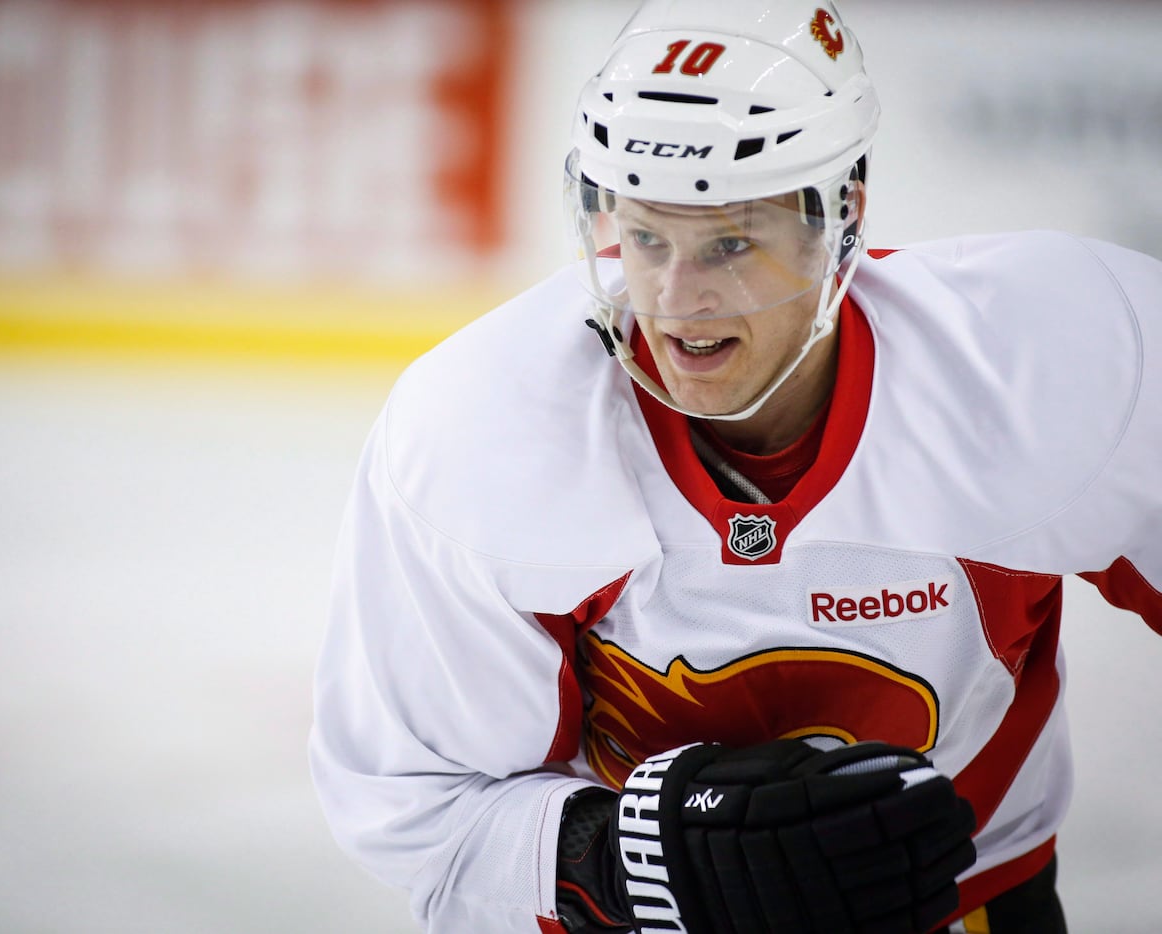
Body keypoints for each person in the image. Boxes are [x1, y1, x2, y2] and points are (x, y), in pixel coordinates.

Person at [309, 1, 1162, 931]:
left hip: (965, 902)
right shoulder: (479, 431)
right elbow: (416, 807)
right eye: (644, 239)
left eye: (730, 243)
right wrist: (625, 861)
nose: (676, 303)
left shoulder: (1049, 362)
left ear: (841, 220)